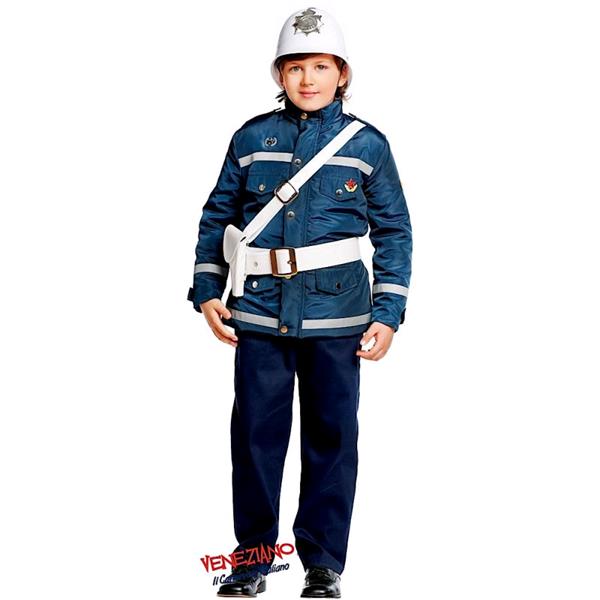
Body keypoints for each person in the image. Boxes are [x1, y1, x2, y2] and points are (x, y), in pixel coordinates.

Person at [187, 6, 412, 598]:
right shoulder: (250, 138)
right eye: (294, 68)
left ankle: (323, 564)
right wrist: (207, 290)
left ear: (342, 73)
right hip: (258, 315)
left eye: (320, 66)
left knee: (332, 441)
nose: (307, 79)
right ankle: (253, 561)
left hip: (339, 319)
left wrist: (388, 313)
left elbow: (394, 232)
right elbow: (217, 216)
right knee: (255, 441)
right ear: (279, 74)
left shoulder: (368, 145)